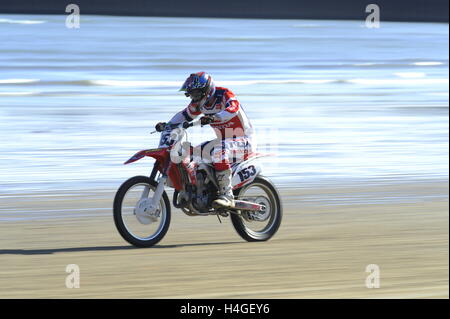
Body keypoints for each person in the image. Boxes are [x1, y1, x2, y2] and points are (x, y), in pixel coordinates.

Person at [155, 72, 254, 208]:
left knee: (219, 152)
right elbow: (183, 115)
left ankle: (227, 195)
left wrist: (215, 117)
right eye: (191, 94)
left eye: (196, 93)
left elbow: (233, 108)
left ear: (206, 90)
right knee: (192, 153)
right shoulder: (199, 105)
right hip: (223, 141)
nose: (193, 97)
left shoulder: (224, 94)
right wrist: (167, 125)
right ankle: (202, 190)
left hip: (244, 140)